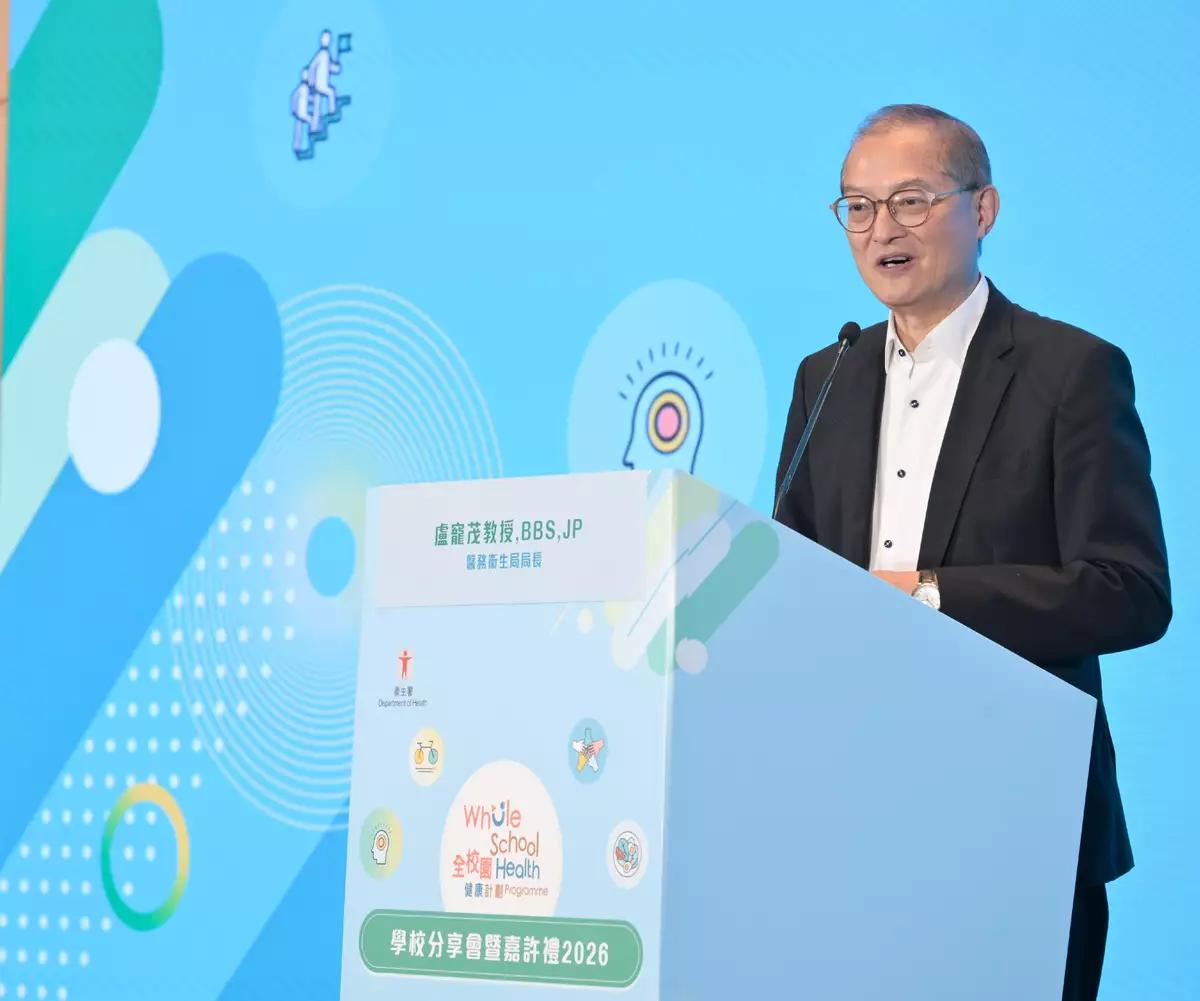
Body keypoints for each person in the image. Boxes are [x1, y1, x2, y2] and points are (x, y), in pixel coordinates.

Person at [774, 104, 1171, 1001]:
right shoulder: (824, 376)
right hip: (850, 813)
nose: (882, 229)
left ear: (982, 209)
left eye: (911, 201)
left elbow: (1131, 590)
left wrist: (929, 596)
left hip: (1020, 814)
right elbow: (790, 580)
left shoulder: (1071, 372)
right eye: (858, 207)